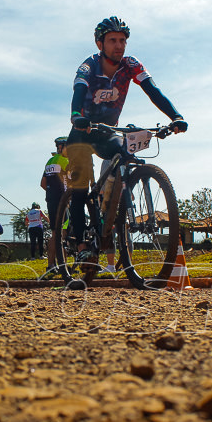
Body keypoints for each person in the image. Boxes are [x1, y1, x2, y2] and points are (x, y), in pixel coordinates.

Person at [66, 16, 187, 258]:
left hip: (107, 131)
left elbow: (154, 91)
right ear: (100, 43)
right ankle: (80, 246)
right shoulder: (89, 66)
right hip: (82, 132)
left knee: (124, 155)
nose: (119, 46)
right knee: (78, 191)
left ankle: (111, 211)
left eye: (122, 40)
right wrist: (77, 115)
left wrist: (175, 116)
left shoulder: (131, 65)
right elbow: (78, 92)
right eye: (112, 40)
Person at [42, 137, 69, 275]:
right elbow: (70, 182)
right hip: (62, 201)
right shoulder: (65, 161)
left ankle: (51, 265)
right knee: (61, 234)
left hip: (51, 200)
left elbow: (42, 183)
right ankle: (63, 265)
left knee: (55, 233)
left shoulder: (49, 161)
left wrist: (52, 192)